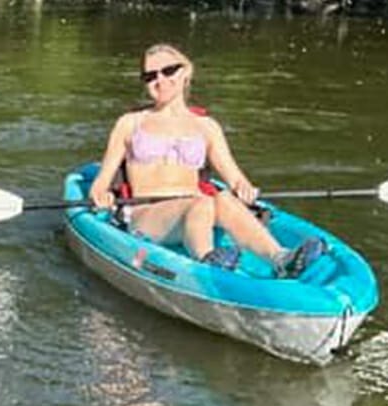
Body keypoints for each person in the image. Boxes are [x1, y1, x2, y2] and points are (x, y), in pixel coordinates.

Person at [90, 43, 327, 279]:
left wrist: (244, 189)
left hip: (195, 205)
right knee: (201, 203)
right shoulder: (130, 123)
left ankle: (281, 258)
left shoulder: (207, 127)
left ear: (185, 72)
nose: (159, 80)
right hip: (148, 214)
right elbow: (99, 185)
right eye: (150, 76)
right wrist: (102, 195)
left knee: (222, 198)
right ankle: (207, 261)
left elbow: (235, 179)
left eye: (168, 71)